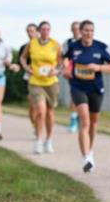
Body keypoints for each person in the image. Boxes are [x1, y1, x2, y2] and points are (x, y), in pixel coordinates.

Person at [65, 20, 110, 172]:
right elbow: (62, 58)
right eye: (86, 30)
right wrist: (65, 69)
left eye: (91, 31)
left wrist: (98, 67)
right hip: (78, 87)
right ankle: (86, 158)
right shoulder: (73, 47)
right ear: (80, 31)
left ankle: (90, 151)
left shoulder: (101, 47)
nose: (89, 33)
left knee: (93, 123)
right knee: (85, 121)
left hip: (95, 88)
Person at [22, 21, 62, 154]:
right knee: (40, 111)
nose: (45, 32)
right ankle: (38, 141)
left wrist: (56, 71)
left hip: (51, 83)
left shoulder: (55, 44)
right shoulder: (32, 43)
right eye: (43, 29)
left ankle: (48, 140)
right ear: (39, 31)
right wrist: (27, 68)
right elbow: (22, 58)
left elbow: (62, 63)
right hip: (36, 82)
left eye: (48, 29)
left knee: (50, 113)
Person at [18, 23, 39, 135]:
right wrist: (20, 67)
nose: (30, 33)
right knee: (32, 106)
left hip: (43, 79)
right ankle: (35, 125)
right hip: (29, 79)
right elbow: (20, 63)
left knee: (40, 105)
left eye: (32, 31)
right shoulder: (24, 47)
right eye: (28, 31)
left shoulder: (44, 45)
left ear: (37, 32)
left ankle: (39, 126)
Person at [62, 22, 82, 133]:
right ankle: (74, 118)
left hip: (86, 74)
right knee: (74, 96)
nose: (76, 31)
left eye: (78, 29)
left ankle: (80, 117)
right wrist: (65, 68)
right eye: (74, 29)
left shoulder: (86, 42)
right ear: (71, 30)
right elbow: (63, 57)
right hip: (72, 73)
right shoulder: (68, 43)